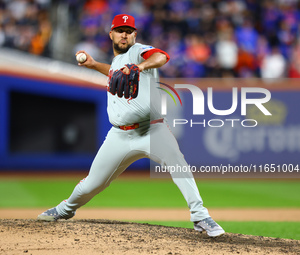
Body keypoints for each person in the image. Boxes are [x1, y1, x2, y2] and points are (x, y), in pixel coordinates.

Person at [37, 14, 225, 237]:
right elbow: (115, 72)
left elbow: (162, 57)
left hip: (152, 130)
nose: (124, 34)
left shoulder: (139, 51)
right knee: (91, 185)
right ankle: (64, 210)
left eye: (128, 30)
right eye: (119, 30)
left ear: (135, 34)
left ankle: (201, 216)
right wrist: (94, 64)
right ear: (111, 34)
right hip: (119, 136)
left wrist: (141, 66)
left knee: (178, 164)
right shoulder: (117, 60)